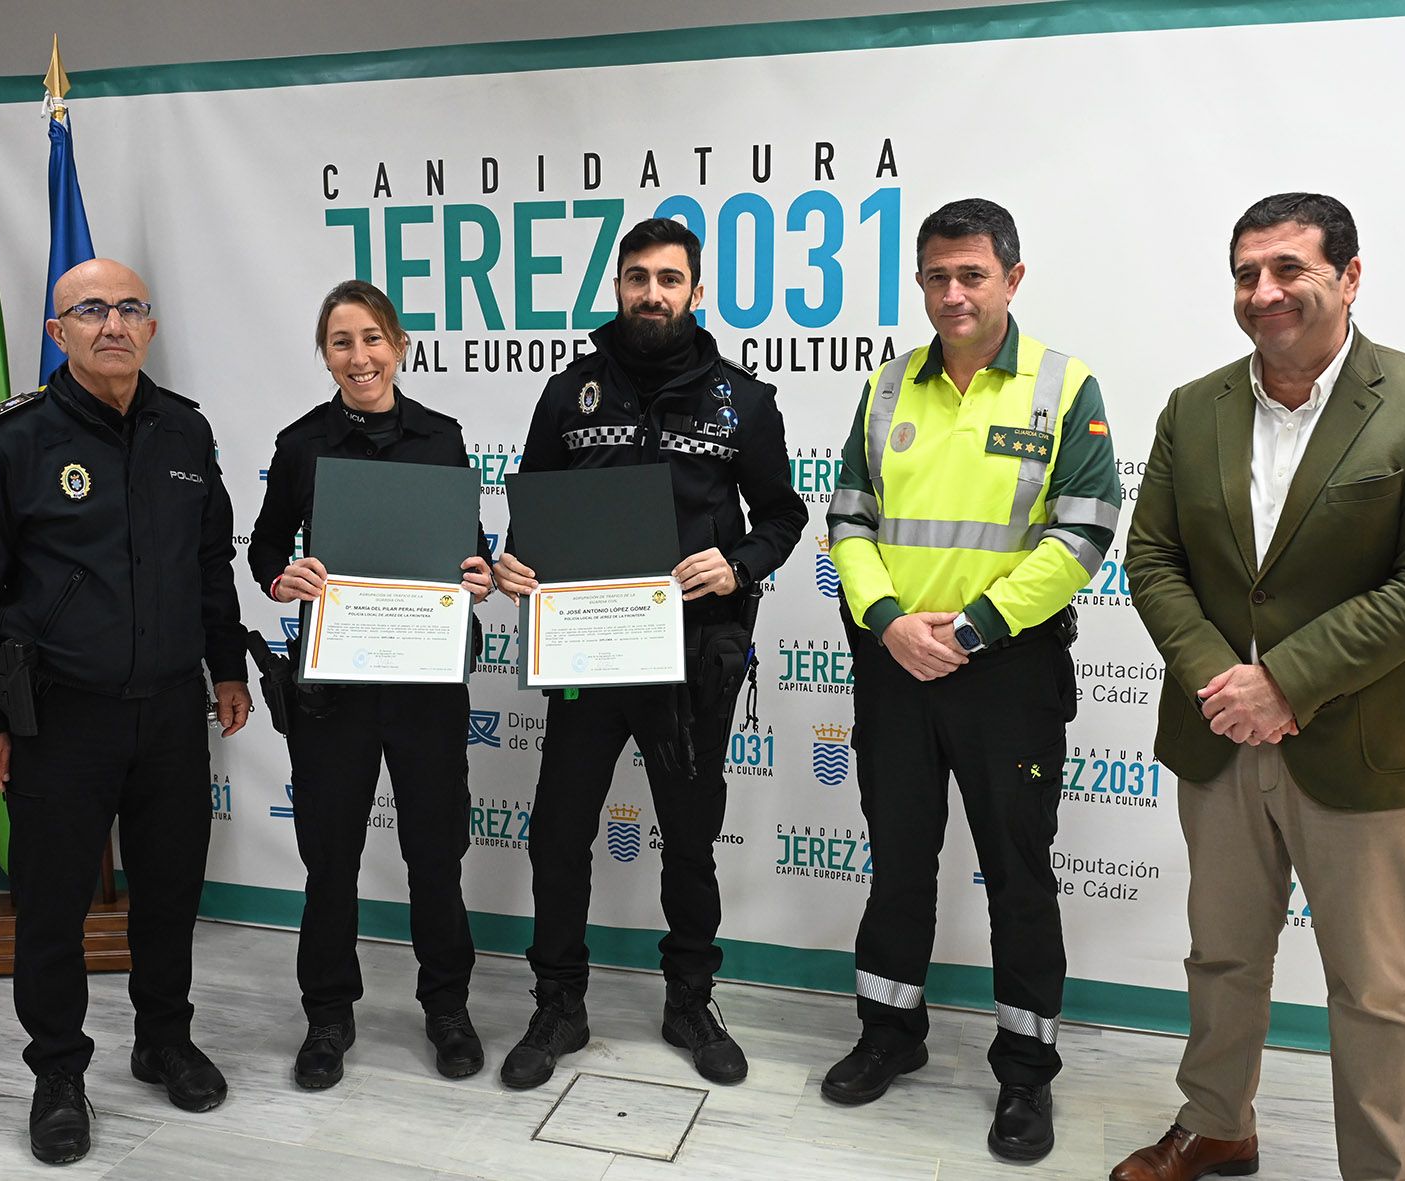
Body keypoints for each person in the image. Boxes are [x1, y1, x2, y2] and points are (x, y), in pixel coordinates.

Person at [1115, 193, 1405, 1181]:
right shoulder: (1193, 406)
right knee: (1223, 956)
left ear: (1350, 276)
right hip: (1219, 735)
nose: (1264, 291)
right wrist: (1223, 683)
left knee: (1372, 986)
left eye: (1289, 268)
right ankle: (1216, 1123)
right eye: (1246, 272)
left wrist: (1284, 681)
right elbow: (1151, 555)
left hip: (1369, 747)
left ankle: (1379, 1167)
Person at [821, 198, 1121, 1163]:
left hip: (1010, 672)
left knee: (1019, 878)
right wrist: (889, 622)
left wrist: (979, 625)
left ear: (1013, 280)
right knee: (899, 861)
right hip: (898, 665)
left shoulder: (1065, 388)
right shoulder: (885, 388)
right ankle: (887, 1036)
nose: (953, 294)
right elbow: (849, 523)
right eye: (936, 277)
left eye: (973, 276)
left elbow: (1082, 536)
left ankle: (1026, 1077)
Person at [0, 258, 250, 1166]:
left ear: (149, 326)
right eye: (89, 311)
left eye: (127, 308)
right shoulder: (11, 443)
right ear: (57, 332)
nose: (111, 324)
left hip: (166, 712)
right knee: (51, 908)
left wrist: (226, 669)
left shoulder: (186, 433)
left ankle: (163, 1039)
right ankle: (59, 1073)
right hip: (57, 719)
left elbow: (209, 567)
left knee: (169, 892)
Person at [492, 218, 806, 1089]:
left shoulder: (743, 400)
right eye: (638, 277)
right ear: (618, 286)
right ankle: (559, 1001)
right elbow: (535, 510)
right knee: (558, 833)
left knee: (691, 839)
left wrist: (737, 561)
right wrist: (518, 557)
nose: (653, 293)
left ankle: (690, 999)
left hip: (693, 653)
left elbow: (784, 516)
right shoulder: (570, 393)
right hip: (589, 651)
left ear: (697, 292)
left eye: (671, 279)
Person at [247, 279, 492, 1090]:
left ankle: (447, 1008)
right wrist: (286, 578)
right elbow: (265, 549)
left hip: (424, 683)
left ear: (399, 345)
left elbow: (473, 546)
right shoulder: (300, 443)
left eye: (372, 339)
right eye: (342, 342)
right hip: (337, 687)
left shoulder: (442, 437)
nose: (360, 357)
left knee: (435, 852)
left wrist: (478, 572)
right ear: (326, 355)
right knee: (331, 856)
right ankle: (327, 1015)